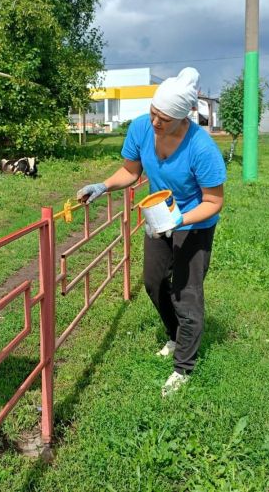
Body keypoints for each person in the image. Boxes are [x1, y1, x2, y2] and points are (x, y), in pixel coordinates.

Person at [76, 67, 227, 397]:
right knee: (153, 281)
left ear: (183, 116)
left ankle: (183, 368)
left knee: (186, 293)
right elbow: (130, 171)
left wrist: (180, 221)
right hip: (159, 216)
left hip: (194, 223)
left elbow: (214, 201)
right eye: (153, 113)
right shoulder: (142, 128)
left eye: (164, 118)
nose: (156, 122)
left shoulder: (202, 148)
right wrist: (104, 185)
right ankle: (174, 337)